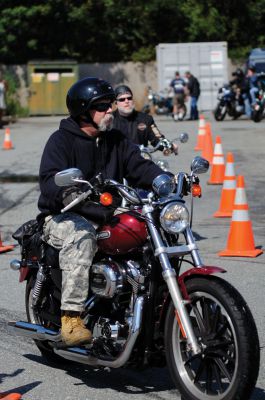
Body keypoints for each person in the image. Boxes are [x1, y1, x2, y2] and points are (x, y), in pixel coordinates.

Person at [38, 77, 173, 347]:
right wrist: (68, 191)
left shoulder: (115, 139)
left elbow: (138, 165)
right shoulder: (61, 140)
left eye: (110, 104)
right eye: (102, 106)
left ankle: (155, 308)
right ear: (83, 111)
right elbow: (50, 180)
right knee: (83, 236)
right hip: (63, 216)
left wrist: (163, 180)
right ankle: (72, 318)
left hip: (105, 213)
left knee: (151, 226)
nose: (110, 110)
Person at [112, 84, 178, 153]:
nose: (126, 101)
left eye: (129, 98)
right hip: (117, 161)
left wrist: (170, 146)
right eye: (122, 99)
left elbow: (157, 138)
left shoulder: (145, 119)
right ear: (116, 103)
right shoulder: (109, 120)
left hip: (140, 160)